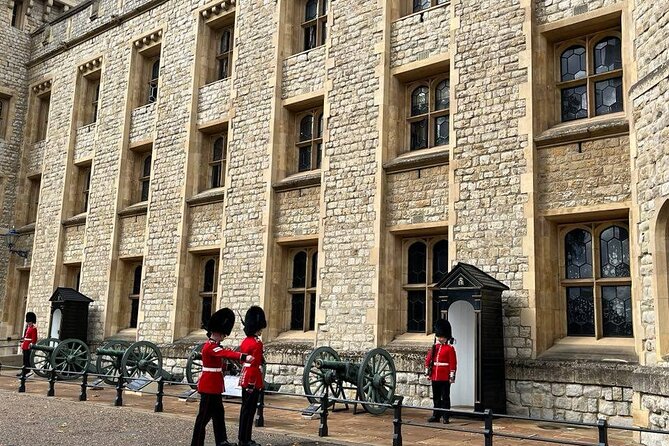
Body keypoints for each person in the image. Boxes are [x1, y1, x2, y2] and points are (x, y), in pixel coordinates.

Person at [191, 308, 253, 446]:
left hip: (215, 387)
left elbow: (218, 363)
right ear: (216, 333)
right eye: (222, 334)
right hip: (209, 387)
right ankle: (196, 443)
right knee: (203, 418)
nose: (224, 337)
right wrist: (243, 356)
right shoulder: (210, 347)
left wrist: (228, 368)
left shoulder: (215, 346)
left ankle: (221, 441)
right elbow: (225, 354)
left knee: (219, 415)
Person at [237, 306, 266, 446]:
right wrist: (253, 383)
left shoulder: (245, 341)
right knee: (250, 410)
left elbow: (244, 360)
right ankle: (246, 440)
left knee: (245, 409)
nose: (261, 331)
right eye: (260, 328)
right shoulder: (257, 343)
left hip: (245, 376)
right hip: (252, 377)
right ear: (257, 328)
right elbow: (255, 365)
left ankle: (242, 437)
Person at [425, 318, 457, 424]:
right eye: (439, 336)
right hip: (435, 376)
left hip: (444, 377)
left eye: (442, 336)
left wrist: (451, 376)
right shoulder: (435, 347)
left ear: (446, 337)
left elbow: (453, 363)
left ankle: (446, 416)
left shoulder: (450, 349)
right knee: (436, 398)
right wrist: (427, 372)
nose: (440, 338)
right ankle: (436, 415)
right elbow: (428, 360)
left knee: (445, 398)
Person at [17, 312, 38, 377]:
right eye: (28, 322)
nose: (28, 323)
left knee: (27, 360)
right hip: (25, 345)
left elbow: (34, 338)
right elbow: (25, 337)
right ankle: (24, 371)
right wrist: (23, 343)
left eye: (29, 322)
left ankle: (27, 371)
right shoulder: (28, 328)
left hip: (29, 345)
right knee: (24, 359)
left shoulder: (34, 329)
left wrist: (31, 345)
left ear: (32, 322)